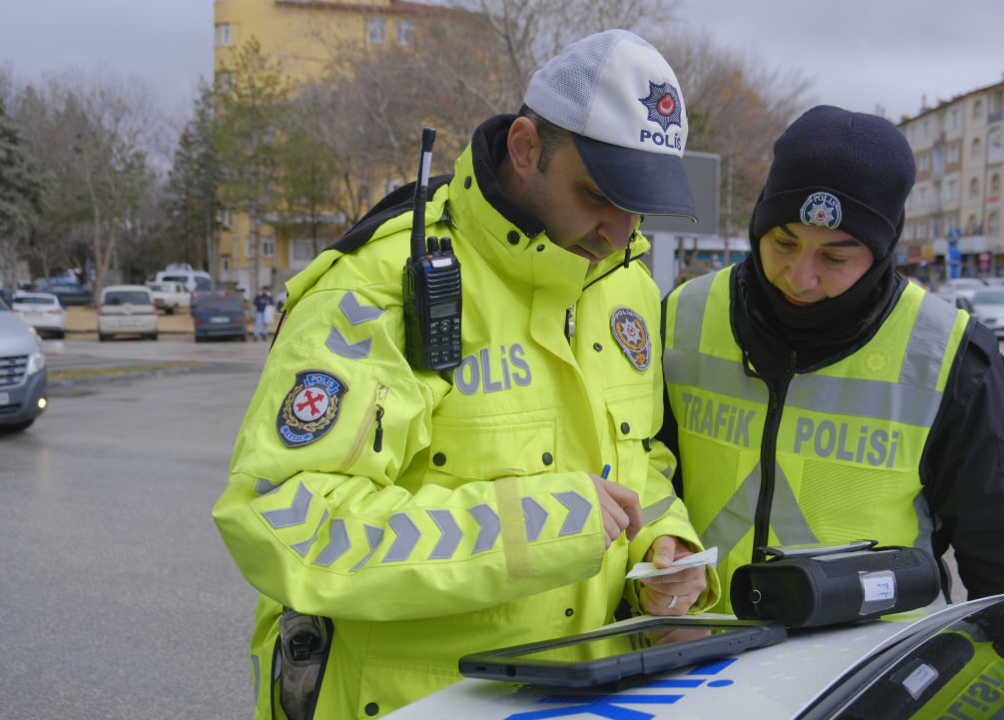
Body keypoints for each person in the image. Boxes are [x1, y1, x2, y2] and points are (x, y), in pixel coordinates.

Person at [213, 29, 716, 719]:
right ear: (525, 148)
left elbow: (634, 457)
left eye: (640, 208)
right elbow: (284, 521)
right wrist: (544, 526)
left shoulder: (621, 287)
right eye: (599, 195)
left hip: (584, 699)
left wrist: (664, 542)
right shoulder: (378, 287)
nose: (621, 233)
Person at [659, 106, 1004, 611]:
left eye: (835, 257)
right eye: (783, 242)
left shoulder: (949, 355)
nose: (799, 276)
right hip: (700, 663)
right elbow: (638, 473)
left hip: (868, 677)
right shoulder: (682, 316)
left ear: (882, 251)